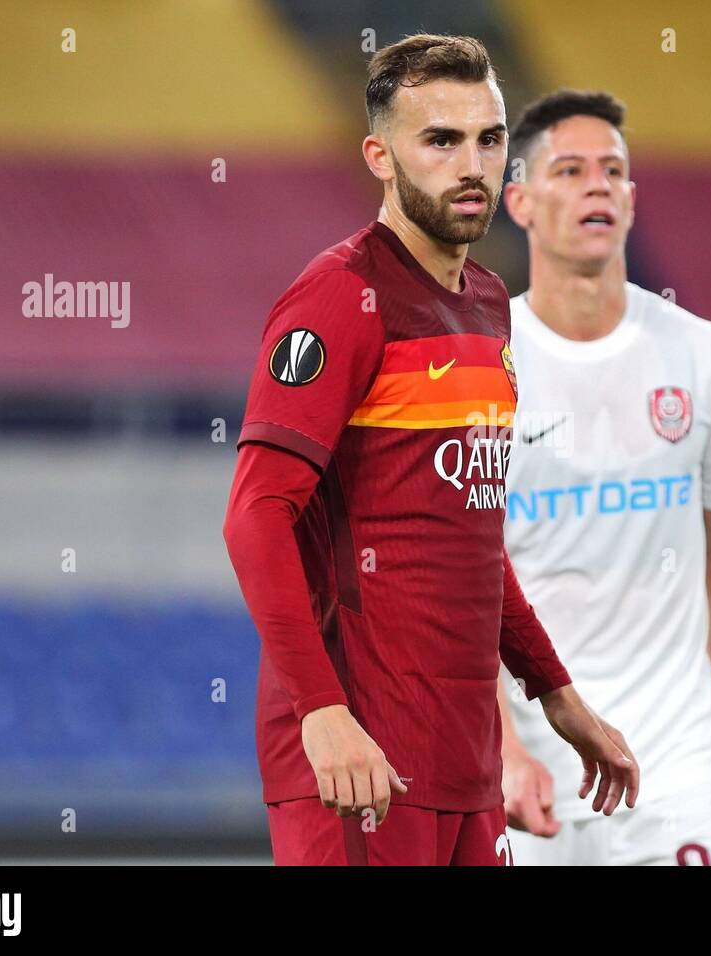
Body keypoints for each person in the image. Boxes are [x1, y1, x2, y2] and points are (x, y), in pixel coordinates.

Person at [221, 37, 637, 866]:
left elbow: (469, 537)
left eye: (488, 138)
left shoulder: (486, 303)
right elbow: (255, 519)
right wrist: (321, 712)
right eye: (440, 141)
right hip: (359, 759)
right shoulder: (341, 296)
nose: (472, 163)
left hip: (465, 761)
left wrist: (555, 692)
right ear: (380, 155)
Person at [497, 90, 711, 866]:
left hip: (677, 768)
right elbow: (463, 579)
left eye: (613, 171)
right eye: (572, 169)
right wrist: (503, 750)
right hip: (534, 768)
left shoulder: (702, 354)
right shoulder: (485, 364)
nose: (597, 186)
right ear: (520, 199)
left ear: (632, 200)